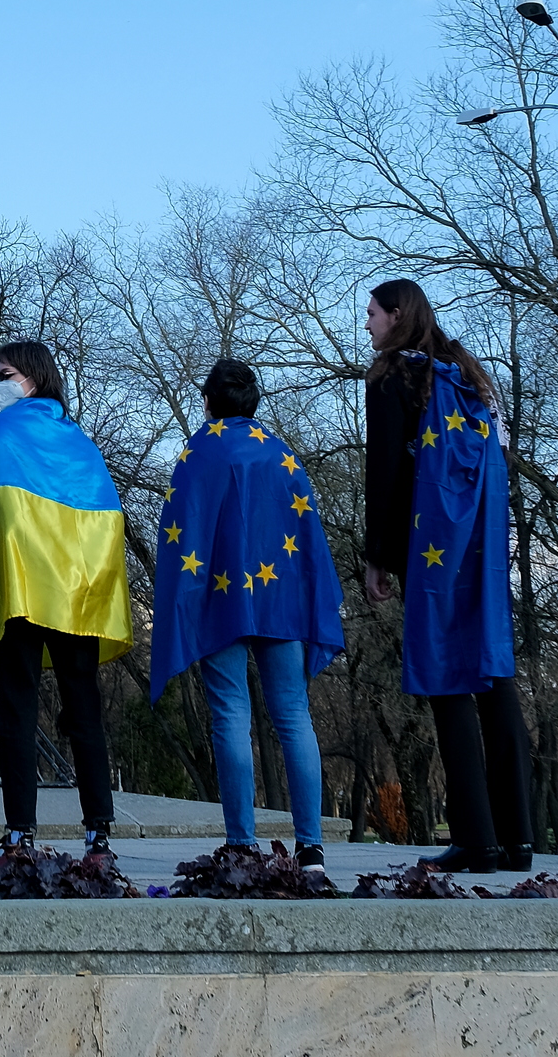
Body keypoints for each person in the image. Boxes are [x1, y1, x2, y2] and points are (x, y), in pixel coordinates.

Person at [363, 277, 533, 873]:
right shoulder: (464, 373)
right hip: (478, 540)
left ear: (397, 316)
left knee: (444, 675)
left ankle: (476, 840)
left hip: (425, 537)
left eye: (373, 315)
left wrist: (375, 554)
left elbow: (383, 471)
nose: (368, 326)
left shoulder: (391, 377)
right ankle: (518, 837)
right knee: (492, 672)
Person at [149, 357, 346, 868]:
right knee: (293, 716)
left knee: (230, 714)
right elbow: (309, 540)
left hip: (219, 603)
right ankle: (311, 848)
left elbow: (179, 534)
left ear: (210, 401)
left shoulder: (199, 453)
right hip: (280, 602)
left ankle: (241, 844)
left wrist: (180, 603)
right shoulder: (281, 455)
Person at [0, 339, 132, 857]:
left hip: (22, 592)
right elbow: (107, 523)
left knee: (18, 708)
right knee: (83, 706)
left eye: (4, 373)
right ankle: (98, 830)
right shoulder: (80, 442)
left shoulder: (1, 432)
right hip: (79, 597)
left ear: (32, 379)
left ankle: (20, 831)